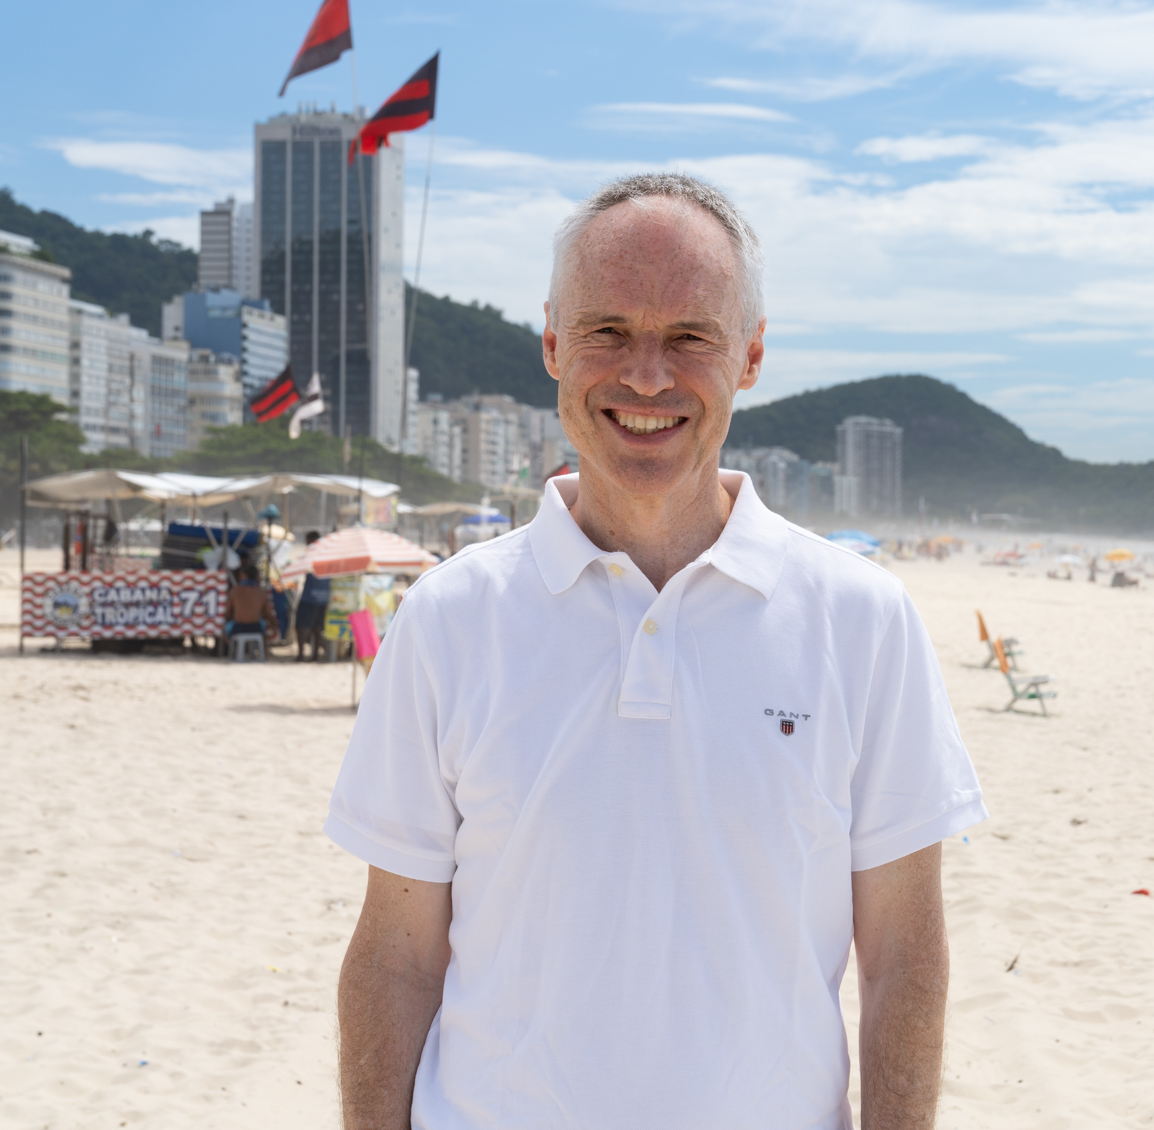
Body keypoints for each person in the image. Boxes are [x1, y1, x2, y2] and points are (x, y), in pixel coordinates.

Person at [327, 174, 986, 1130]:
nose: (645, 376)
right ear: (553, 343)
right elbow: (395, 955)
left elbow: (903, 960)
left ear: (751, 355)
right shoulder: (447, 619)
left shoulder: (864, 622)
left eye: (690, 337)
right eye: (608, 332)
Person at [293, 531, 332, 662]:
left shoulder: (311, 555)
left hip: (309, 597)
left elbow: (298, 568)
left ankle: (301, 655)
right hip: (323, 597)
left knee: (301, 627)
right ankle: (314, 656)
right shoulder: (327, 555)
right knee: (317, 628)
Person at [222, 564, 276, 650]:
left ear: (244, 575)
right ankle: (263, 652)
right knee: (265, 626)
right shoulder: (261, 593)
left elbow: (227, 613)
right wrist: (275, 626)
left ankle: (235, 651)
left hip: (238, 628)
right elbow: (268, 615)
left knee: (222, 629)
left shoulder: (235, 591)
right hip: (256, 628)